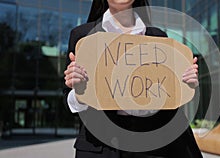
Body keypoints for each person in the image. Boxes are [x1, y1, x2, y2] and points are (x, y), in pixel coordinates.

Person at [63, 0, 203, 157]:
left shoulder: (158, 37)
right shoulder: (83, 36)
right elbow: (68, 102)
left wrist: (184, 83)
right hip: (98, 147)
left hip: (151, 145)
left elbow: (168, 95)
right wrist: (80, 91)